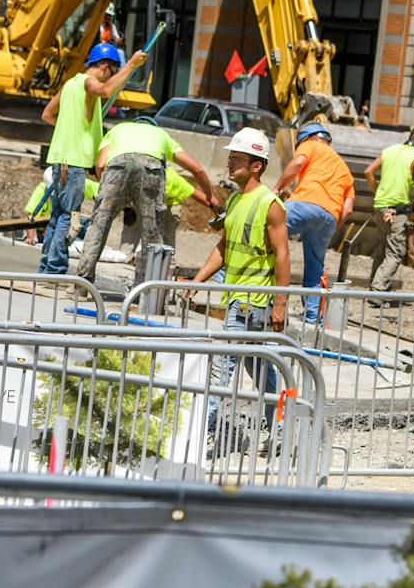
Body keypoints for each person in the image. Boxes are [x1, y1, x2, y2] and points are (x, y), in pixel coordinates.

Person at [191, 127, 290, 453]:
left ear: (256, 165)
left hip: (253, 303)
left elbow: (283, 255)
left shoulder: (270, 204)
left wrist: (280, 304)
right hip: (238, 299)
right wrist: (198, 280)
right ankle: (283, 431)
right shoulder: (235, 200)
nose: (230, 163)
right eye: (230, 157)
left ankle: (199, 435)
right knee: (261, 371)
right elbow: (224, 246)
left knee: (222, 367)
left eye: (237, 158)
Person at [37, 42, 146, 274]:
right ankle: (54, 270)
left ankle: (46, 267)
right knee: (68, 218)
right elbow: (105, 91)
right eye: (112, 72)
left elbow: (47, 114)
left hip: (60, 161)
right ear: (105, 66)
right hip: (73, 163)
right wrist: (132, 65)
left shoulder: (70, 84)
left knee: (57, 217)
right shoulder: (88, 82)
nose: (111, 77)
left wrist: (71, 128)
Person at [78, 115, 214, 281]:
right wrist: (209, 195)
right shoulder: (162, 135)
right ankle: (145, 292)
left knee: (99, 225)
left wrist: (109, 191)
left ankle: (81, 285)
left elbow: (100, 164)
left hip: (117, 166)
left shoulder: (117, 129)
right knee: (152, 234)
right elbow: (197, 169)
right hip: (150, 168)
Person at [272, 122, 354, 323]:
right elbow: (348, 208)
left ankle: (232, 281)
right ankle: (311, 318)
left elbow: (298, 163)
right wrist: (331, 227)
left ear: (309, 138)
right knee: (315, 267)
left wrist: (277, 187)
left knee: (263, 229)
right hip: (329, 217)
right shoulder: (345, 170)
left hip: (304, 204)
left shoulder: (312, 145)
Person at [365, 122, 414, 294]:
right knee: (396, 253)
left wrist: (377, 192)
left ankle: (374, 287)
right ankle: (378, 289)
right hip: (396, 210)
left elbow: (368, 172)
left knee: (383, 248)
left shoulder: (389, 150)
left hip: (380, 206)